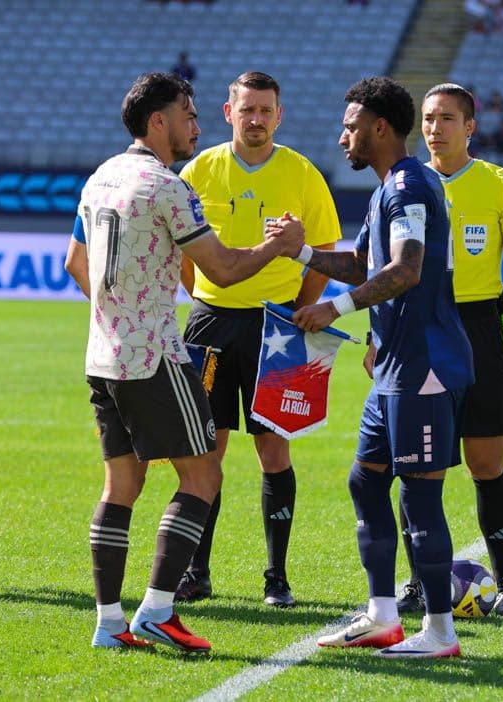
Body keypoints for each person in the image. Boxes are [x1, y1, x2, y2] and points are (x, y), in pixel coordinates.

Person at [63, 72, 303, 652]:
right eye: (188, 116)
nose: (196, 126)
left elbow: (74, 264)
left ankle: (108, 623)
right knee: (202, 474)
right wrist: (277, 246)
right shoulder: (166, 185)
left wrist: (120, 309)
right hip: (156, 356)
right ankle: (158, 610)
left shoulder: (101, 177)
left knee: (122, 483)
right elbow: (220, 269)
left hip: (103, 354)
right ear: (157, 122)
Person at [267, 76, 474, 658]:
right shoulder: (390, 189)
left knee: (419, 498)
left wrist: (328, 308)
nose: (343, 139)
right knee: (366, 480)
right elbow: (366, 264)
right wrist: (302, 253)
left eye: (352, 127)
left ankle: (439, 631)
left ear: (380, 128)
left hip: (424, 367)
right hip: (394, 369)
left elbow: (406, 270)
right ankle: (383, 617)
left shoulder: (409, 187)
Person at [173, 71, 340, 608]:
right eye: (247, 110)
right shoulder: (200, 170)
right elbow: (182, 256)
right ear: (229, 113)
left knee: (274, 450)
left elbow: (325, 249)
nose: (256, 119)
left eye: (266, 110)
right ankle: (197, 572)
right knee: (207, 451)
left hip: (279, 329)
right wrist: (204, 297)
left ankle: (277, 576)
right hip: (211, 326)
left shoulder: (302, 174)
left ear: (279, 115)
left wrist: (297, 310)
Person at [388, 83, 503, 618]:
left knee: (485, 462)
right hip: (417, 325)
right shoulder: (405, 182)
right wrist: (375, 338)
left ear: (470, 126)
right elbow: (380, 268)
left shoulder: (499, 186)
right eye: (428, 118)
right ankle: (413, 582)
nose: (435, 127)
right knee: (417, 465)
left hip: (477, 329)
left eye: (447, 118)